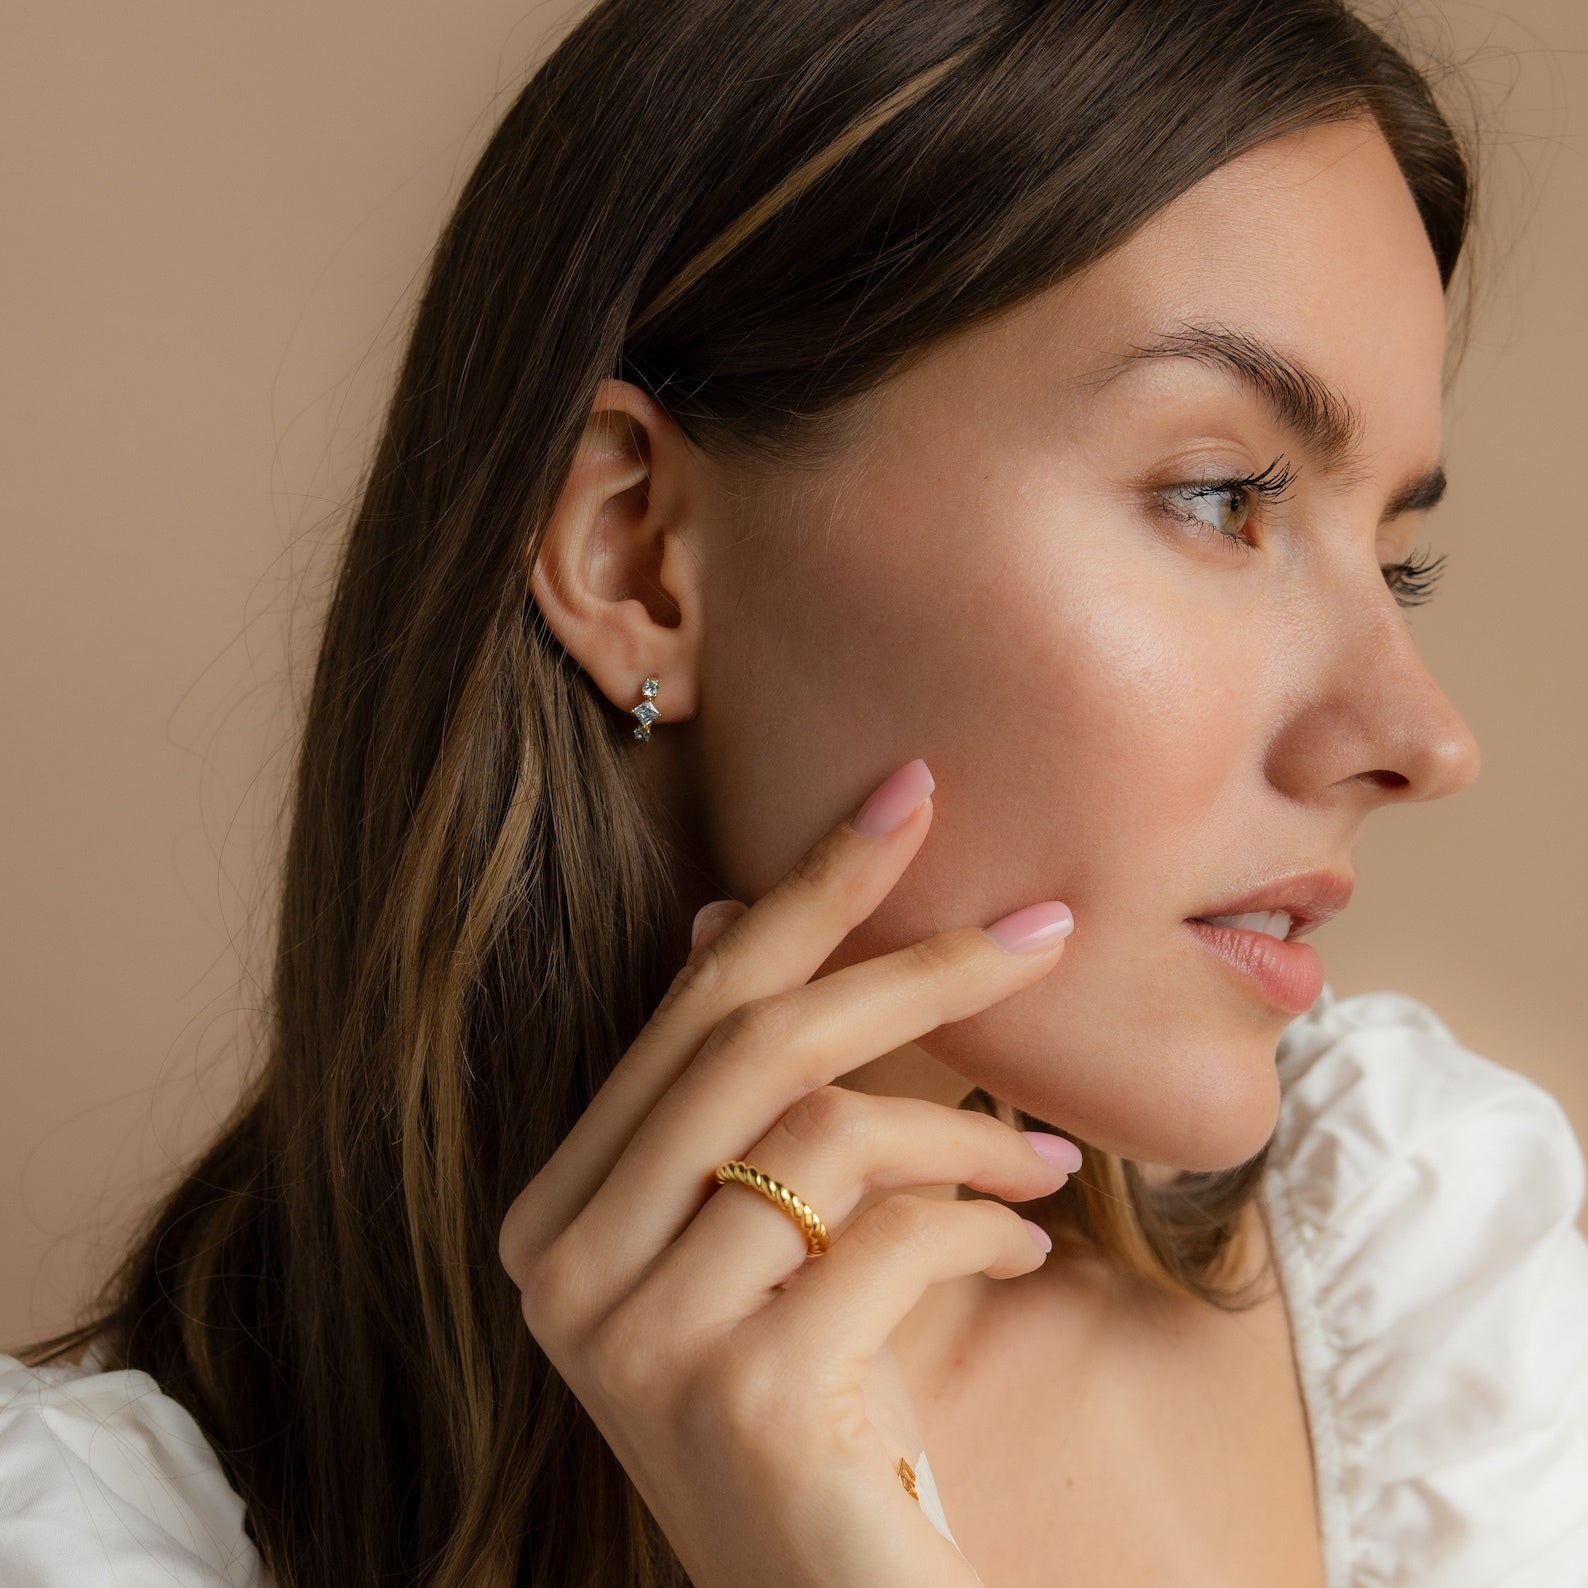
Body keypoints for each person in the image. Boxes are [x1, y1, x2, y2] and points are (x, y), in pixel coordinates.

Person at [4, 0, 1586, 1584]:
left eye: (1397, 559)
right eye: (1219, 496)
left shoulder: (1433, 1309)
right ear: (636, 552)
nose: (1417, 738)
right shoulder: (108, 1548)